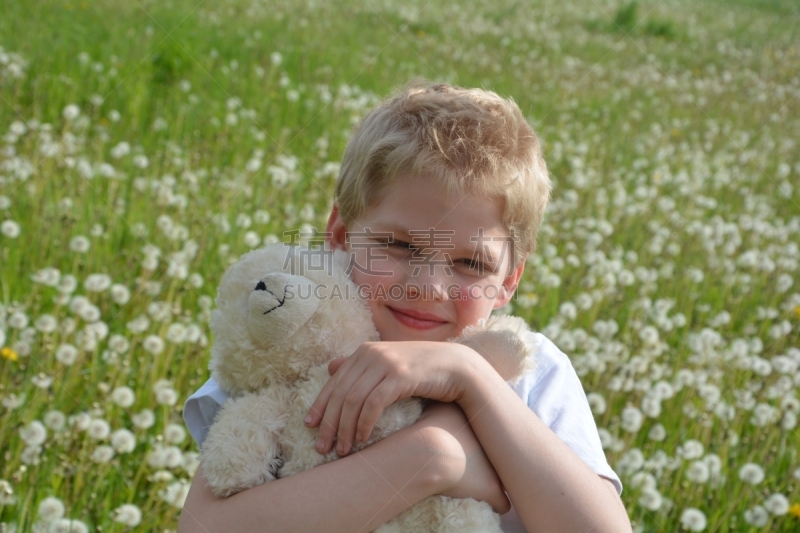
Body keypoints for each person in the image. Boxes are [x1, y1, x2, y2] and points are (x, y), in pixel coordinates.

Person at [178, 82, 631, 532]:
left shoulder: (530, 377)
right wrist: (431, 458)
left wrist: (468, 376)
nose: (428, 287)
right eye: (397, 245)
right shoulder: (292, 343)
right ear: (339, 235)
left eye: (471, 263)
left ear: (509, 281)